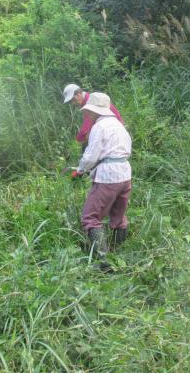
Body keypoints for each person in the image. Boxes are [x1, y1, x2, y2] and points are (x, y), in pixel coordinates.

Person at [73, 92, 132, 262]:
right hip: (125, 174)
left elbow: (91, 156)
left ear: (94, 111)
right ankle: (120, 255)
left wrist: (80, 170)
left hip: (108, 176)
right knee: (118, 217)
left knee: (90, 217)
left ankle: (104, 261)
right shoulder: (119, 125)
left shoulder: (100, 126)